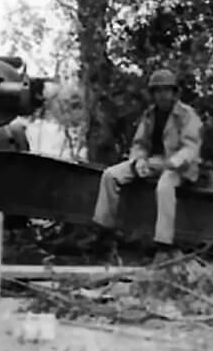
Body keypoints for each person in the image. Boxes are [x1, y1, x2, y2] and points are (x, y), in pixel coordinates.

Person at [86, 68, 203, 263]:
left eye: (166, 90)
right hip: (153, 162)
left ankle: (164, 246)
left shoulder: (187, 115)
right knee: (110, 175)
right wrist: (138, 161)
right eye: (157, 91)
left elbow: (191, 148)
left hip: (179, 167)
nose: (161, 95)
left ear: (174, 92)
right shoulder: (149, 115)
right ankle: (104, 234)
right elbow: (139, 144)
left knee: (165, 186)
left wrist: (171, 164)